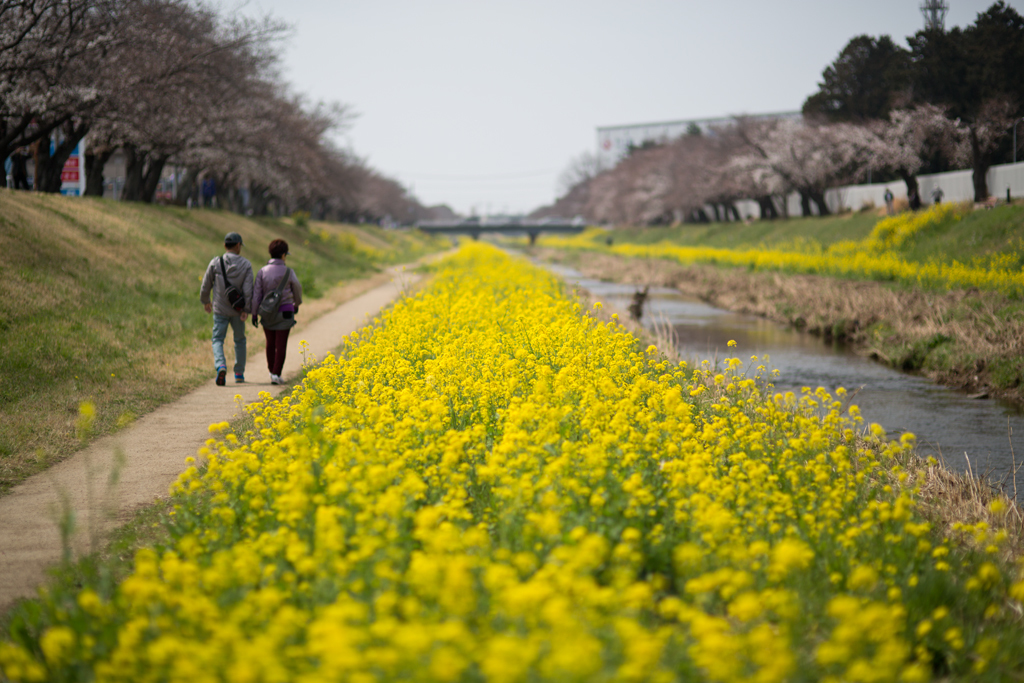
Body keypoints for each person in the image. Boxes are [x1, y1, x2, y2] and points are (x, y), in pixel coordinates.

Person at [200, 232, 253, 385]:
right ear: (238, 246)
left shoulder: (216, 262)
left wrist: (206, 301)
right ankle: (239, 373)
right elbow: (248, 290)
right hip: (238, 311)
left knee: (217, 339)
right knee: (240, 340)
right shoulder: (246, 265)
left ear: (224, 246)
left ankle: (221, 365)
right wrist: (246, 309)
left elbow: (206, 284)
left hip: (220, 310)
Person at [252, 239, 302, 385]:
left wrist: (254, 313)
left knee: (270, 343)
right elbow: (297, 289)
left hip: (267, 313)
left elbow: (257, 295)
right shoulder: (289, 271)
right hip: (285, 312)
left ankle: (271, 371)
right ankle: (276, 373)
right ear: (283, 255)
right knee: (281, 344)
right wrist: (296, 304)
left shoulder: (262, 271)